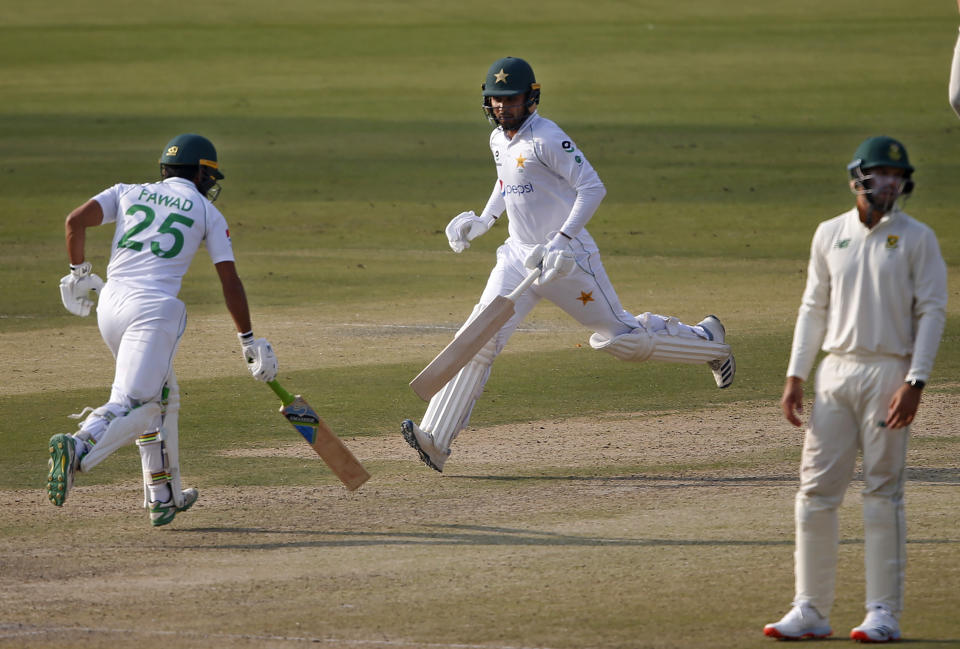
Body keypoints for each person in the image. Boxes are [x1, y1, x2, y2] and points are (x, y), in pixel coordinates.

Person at [401, 56, 736, 472]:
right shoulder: (498, 141)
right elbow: (507, 181)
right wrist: (484, 220)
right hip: (518, 258)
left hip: (566, 262)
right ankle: (435, 439)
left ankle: (708, 342)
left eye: (511, 100)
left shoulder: (547, 138)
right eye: (496, 100)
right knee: (479, 337)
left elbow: (592, 187)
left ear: (530, 99)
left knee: (621, 339)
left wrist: (561, 240)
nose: (503, 108)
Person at [763, 136, 947, 642]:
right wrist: (796, 374)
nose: (890, 182)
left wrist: (916, 380)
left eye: (897, 175)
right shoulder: (829, 233)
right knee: (816, 492)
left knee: (883, 492)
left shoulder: (917, 238)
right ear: (859, 177)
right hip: (836, 373)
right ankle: (810, 610)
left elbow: (931, 311)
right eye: (881, 173)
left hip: (890, 371)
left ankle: (882, 612)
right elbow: (812, 307)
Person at [48, 133, 279, 527]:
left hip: (110, 306)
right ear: (202, 174)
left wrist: (79, 273)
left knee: (165, 397)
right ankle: (80, 445)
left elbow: (75, 222)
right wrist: (248, 340)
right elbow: (230, 282)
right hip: (154, 313)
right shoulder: (207, 213)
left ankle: (164, 497)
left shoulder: (127, 191)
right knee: (139, 404)